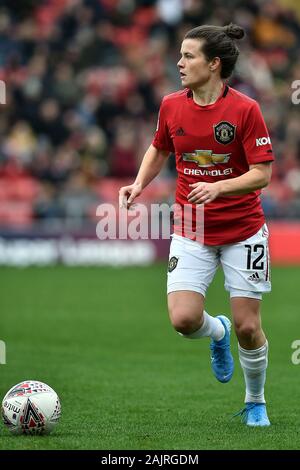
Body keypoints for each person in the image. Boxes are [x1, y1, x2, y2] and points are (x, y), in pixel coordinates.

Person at [119, 23, 274, 426]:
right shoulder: (172, 105)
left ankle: (255, 401)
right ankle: (216, 333)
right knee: (184, 320)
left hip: (242, 227)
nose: (179, 62)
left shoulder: (245, 110)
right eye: (180, 55)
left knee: (248, 326)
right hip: (190, 225)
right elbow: (159, 148)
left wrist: (220, 188)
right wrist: (138, 185)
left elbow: (262, 174)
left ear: (214, 64)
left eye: (189, 56)